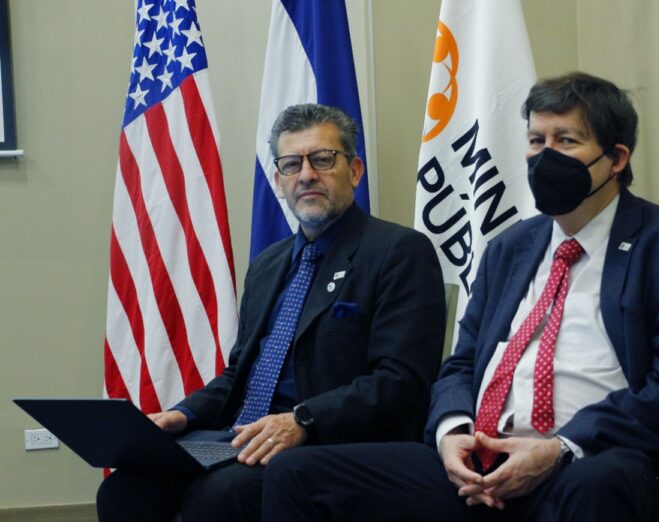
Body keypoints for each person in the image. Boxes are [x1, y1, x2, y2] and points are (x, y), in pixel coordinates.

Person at [261, 73, 659, 522]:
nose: (545, 156)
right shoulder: (511, 248)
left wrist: (560, 448)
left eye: (566, 141)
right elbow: (461, 365)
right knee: (296, 475)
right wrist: (451, 433)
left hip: (587, 461)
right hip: (480, 463)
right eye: (536, 141)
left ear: (616, 158)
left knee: (599, 481)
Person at [96, 103, 446, 521]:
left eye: (322, 159)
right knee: (124, 489)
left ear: (355, 171)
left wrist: (303, 420)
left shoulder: (398, 252)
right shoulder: (267, 265)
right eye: (292, 164)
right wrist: (183, 414)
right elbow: (238, 374)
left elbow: (400, 383)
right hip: (242, 439)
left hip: (330, 445)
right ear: (279, 182)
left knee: (218, 497)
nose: (306, 175)